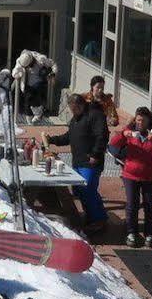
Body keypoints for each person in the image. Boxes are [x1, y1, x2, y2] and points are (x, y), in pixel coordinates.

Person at [45, 92, 110, 232]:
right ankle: (93, 215)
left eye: (73, 109)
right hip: (78, 161)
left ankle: (98, 219)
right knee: (80, 191)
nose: (72, 112)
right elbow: (69, 137)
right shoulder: (76, 119)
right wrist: (52, 140)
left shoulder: (95, 115)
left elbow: (102, 136)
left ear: (79, 105)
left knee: (88, 189)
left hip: (90, 161)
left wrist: (96, 154)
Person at [109, 107, 152, 248]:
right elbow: (113, 143)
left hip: (150, 176)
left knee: (150, 206)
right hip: (131, 174)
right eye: (137, 120)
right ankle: (132, 233)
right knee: (132, 205)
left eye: (142, 120)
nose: (140, 123)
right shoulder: (131, 132)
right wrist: (125, 133)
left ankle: (150, 235)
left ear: (149, 121)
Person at [13, 50, 57, 121]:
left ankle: (39, 113)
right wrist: (17, 73)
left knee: (34, 99)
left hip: (39, 82)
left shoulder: (40, 59)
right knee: (27, 102)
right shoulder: (20, 60)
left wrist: (53, 74)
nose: (29, 67)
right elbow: (15, 72)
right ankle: (29, 121)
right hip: (27, 84)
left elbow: (53, 64)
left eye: (30, 64)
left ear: (32, 60)